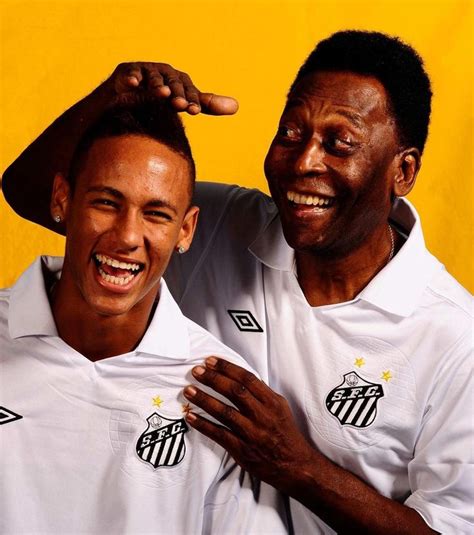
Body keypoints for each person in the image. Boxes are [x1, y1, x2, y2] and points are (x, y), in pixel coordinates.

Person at [2, 30, 472, 534]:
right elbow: (50, 198)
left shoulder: (455, 338)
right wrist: (113, 97)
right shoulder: (223, 226)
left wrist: (299, 467)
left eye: (339, 145)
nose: (304, 161)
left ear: (404, 171)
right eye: (290, 133)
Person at [0, 100, 288, 534]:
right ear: (63, 199)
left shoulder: (219, 392)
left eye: (156, 214)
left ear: (185, 230)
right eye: (106, 202)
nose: (127, 237)